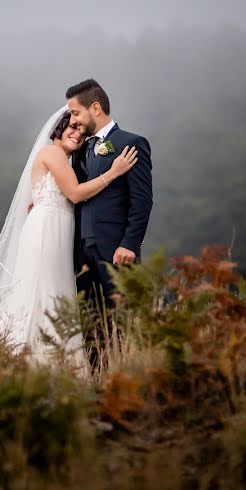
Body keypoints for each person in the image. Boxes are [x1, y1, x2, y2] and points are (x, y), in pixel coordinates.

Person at [0, 100, 139, 375]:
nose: (77, 132)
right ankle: (29, 357)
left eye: (80, 129)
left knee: (56, 290)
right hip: (45, 231)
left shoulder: (70, 160)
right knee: (43, 289)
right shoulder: (52, 153)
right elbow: (75, 194)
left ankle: (52, 357)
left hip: (59, 229)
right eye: (71, 126)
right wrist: (114, 172)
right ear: (58, 128)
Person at [68, 78, 152, 371]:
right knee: (89, 323)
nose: (73, 120)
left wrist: (130, 242)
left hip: (116, 249)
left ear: (95, 107)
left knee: (121, 321)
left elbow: (142, 202)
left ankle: (122, 381)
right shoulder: (80, 150)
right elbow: (75, 193)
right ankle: (95, 383)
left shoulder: (131, 143)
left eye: (76, 113)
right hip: (82, 251)